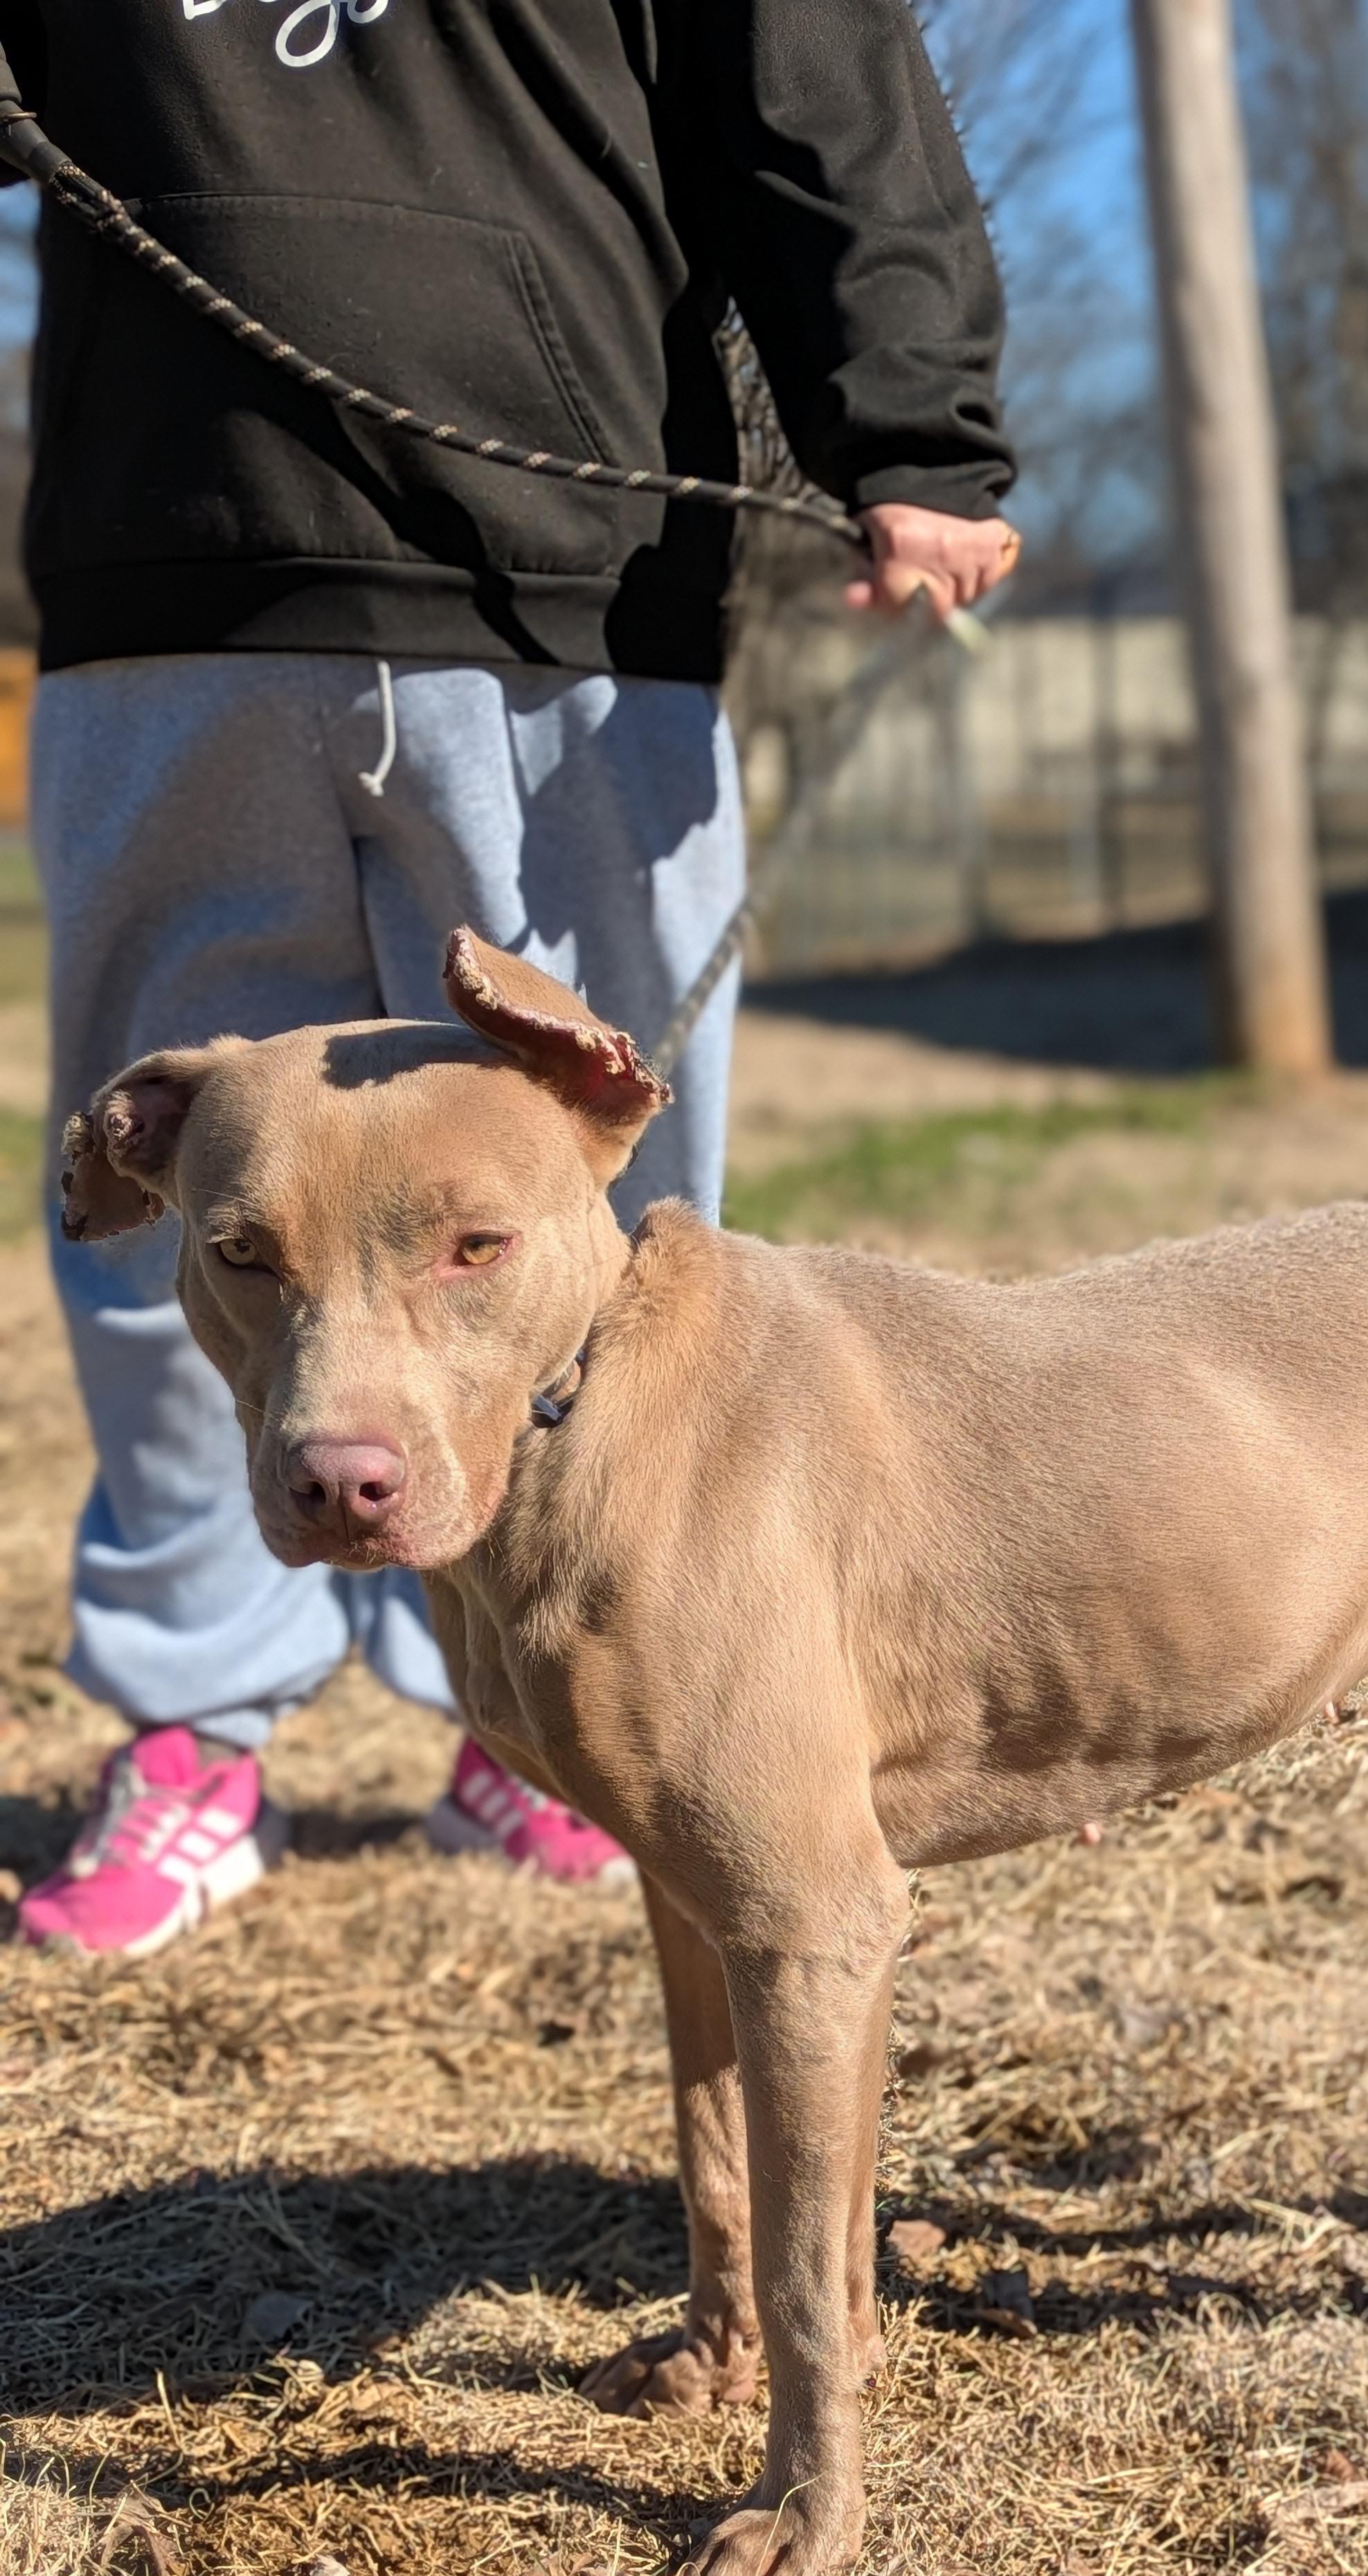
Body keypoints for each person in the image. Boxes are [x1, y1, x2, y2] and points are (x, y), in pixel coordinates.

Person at [0, 0, 1016, 1955]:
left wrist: (911, 420)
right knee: (185, 1217)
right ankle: (194, 1724)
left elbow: (812, 86)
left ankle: (565, 1703)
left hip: (575, 579)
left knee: (594, 1245)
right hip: (167, 577)